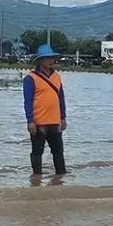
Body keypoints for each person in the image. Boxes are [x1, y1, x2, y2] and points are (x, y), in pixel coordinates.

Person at [23, 44, 68, 175]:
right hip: (39, 122)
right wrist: (30, 120)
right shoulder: (31, 78)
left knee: (58, 152)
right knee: (37, 152)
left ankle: (61, 177)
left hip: (55, 121)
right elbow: (28, 101)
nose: (51, 60)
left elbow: (61, 98)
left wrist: (63, 117)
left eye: (52, 58)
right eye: (47, 58)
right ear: (40, 60)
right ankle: (36, 178)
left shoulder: (57, 77)